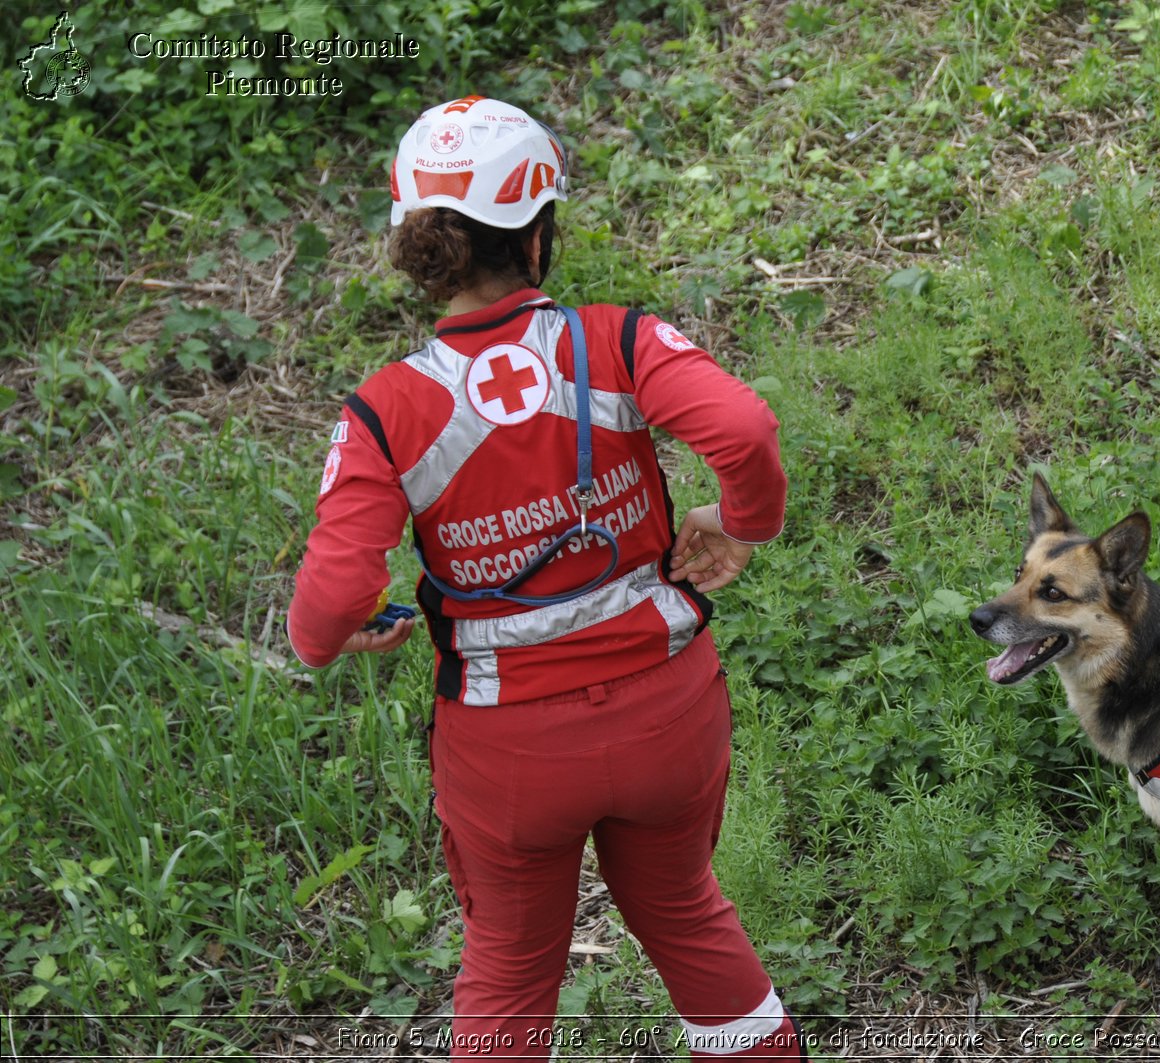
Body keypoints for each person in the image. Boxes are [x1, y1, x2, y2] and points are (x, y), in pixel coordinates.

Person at [287, 95, 807, 1061]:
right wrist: (741, 524)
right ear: (536, 239)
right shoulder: (615, 340)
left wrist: (337, 630)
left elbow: (327, 598)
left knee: (511, 969)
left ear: (419, 245)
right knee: (688, 915)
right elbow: (743, 431)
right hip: (667, 712)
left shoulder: (386, 408)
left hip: (508, 749)